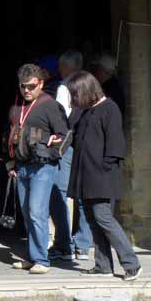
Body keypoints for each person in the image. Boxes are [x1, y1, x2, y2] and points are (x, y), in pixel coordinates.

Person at [67, 71, 141, 281]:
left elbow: (115, 146)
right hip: (85, 176)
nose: (73, 99)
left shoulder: (110, 108)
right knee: (92, 220)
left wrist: (102, 168)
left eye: (75, 94)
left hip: (101, 177)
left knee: (104, 219)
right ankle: (103, 264)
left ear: (86, 91)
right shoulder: (85, 112)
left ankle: (131, 264)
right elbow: (72, 130)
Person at [7, 63, 69, 275]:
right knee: (27, 213)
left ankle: (42, 259)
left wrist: (51, 153)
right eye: (23, 86)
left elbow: (64, 136)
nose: (26, 90)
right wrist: (10, 162)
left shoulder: (50, 105)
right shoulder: (17, 107)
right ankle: (32, 257)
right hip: (22, 166)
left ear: (40, 83)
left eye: (31, 86)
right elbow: (10, 136)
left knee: (36, 212)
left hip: (42, 167)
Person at [48, 50, 92, 262]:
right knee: (85, 193)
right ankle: (83, 244)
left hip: (68, 145)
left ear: (66, 67)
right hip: (89, 144)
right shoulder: (91, 85)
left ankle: (63, 243)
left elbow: (61, 117)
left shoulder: (64, 87)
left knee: (60, 192)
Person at [90, 53, 126, 117]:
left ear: (103, 70)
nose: (94, 71)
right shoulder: (112, 86)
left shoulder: (108, 90)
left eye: (97, 68)